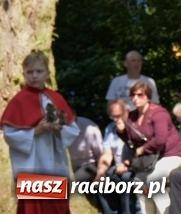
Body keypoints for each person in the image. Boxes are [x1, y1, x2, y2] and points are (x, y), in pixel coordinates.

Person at [0, 50, 80, 214]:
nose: (34, 76)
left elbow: (72, 129)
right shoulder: (19, 101)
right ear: (24, 73)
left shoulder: (56, 98)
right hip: (32, 164)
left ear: (47, 73)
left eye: (39, 71)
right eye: (30, 72)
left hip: (56, 163)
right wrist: (35, 131)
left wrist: (59, 130)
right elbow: (10, 134)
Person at [115, 81, 181, 214]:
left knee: (154, 180)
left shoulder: (159, 113)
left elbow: (160, 140)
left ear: (148, 97)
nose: (136, 98)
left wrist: (142, 149)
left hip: (170, 155)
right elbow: (132, 144)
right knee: (140, 185)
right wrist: (121, 132)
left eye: (140, 95)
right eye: (133, 95)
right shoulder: (132, 116)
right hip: (150, 159)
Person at [96, 99, 137, 214]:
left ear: (127, 111)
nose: (115, 119)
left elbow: (143, 151)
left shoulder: (136, 126)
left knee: (125, 180)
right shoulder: (110, 128)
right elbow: (107, 153)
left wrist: (128, 163)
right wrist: (100, 172)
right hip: (118, 167)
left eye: (118, 116)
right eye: (112, 116)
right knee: (101, 183)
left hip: (136, 167)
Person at [68, 116, 104, 210]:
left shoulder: (90, 128)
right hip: (75, 166)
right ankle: (96, 205)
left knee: (75, 182)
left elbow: (101, 153)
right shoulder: (62, 128)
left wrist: (101, 173)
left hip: (91, 163)